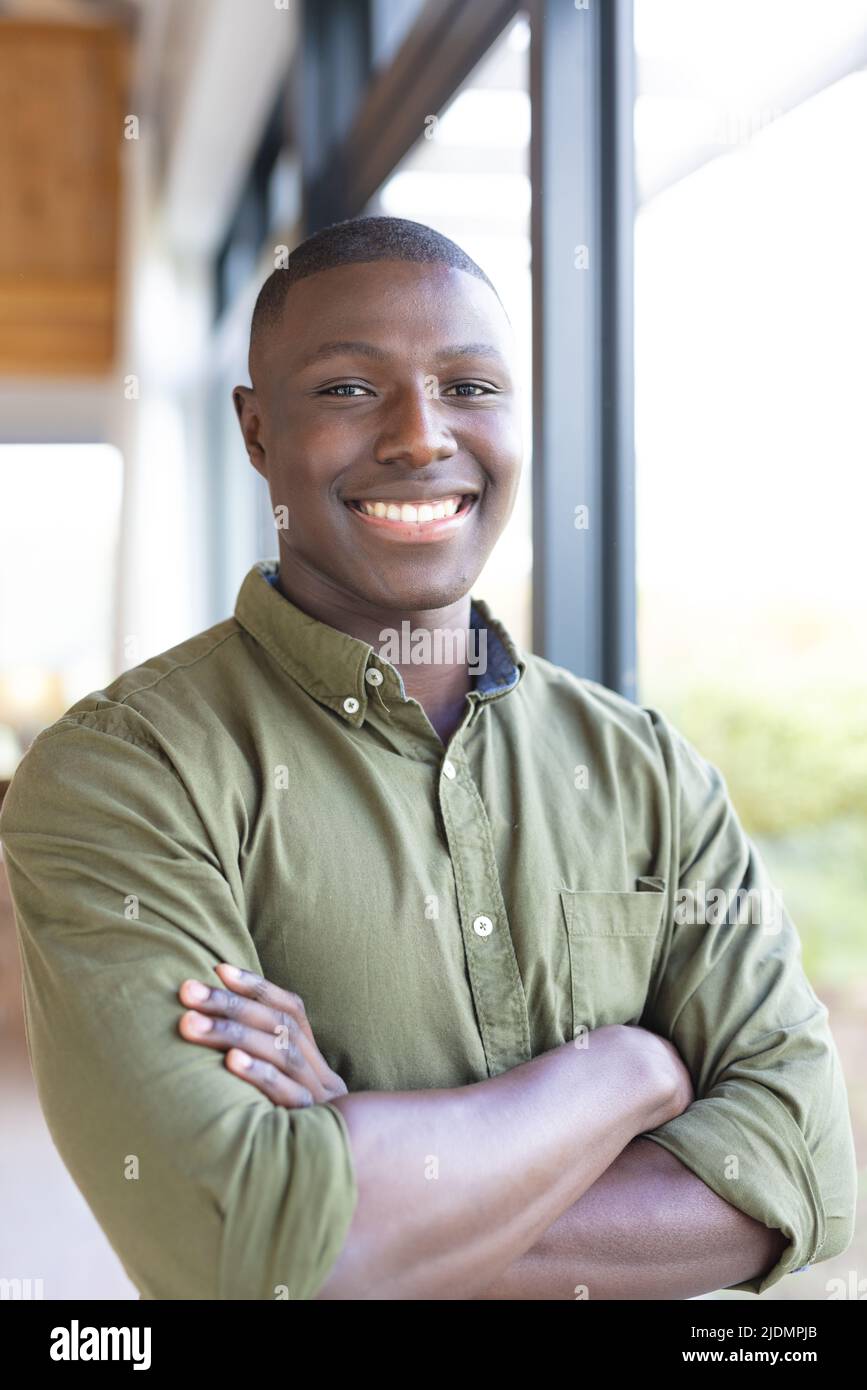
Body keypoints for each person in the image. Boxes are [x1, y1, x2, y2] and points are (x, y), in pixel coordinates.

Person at [0, 216, 856, 1301]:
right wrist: (629, 1074)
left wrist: (378, 1194)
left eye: (470, 386)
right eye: (349, 388)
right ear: (257, 431)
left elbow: (806, 1172)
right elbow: (248, 1251)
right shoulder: (126, 775)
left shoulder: (649, 771)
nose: (419, 435)